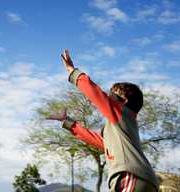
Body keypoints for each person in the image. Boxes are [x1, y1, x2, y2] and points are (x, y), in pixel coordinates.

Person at [46, 50, 160, 192]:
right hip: (141, 180)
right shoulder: (118, 129)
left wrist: (72, 71)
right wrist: (67, 121)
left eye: (110, 99)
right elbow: (93, 138)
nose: (107, 101)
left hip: (132, 177)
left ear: (123, 103)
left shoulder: (123, 114)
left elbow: (95, 94)